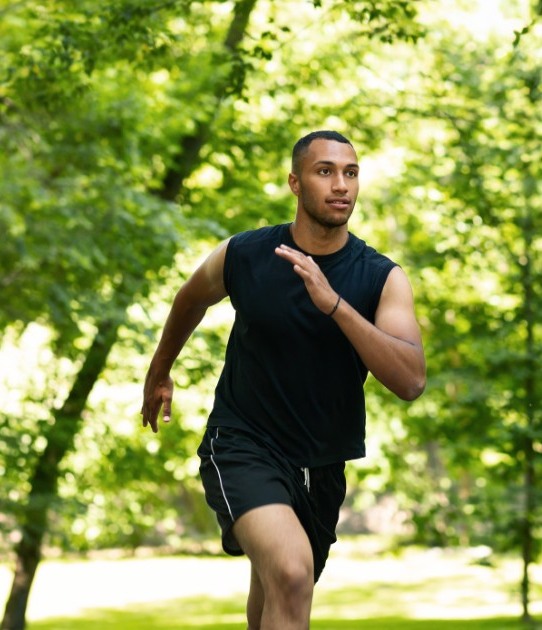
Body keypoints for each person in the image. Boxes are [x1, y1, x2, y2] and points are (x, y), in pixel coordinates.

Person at [140, 130, 426, 629]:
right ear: (295, 183)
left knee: (279, 593)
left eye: (351, 173)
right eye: (325, 172)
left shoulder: (381, 277)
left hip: (321, 463)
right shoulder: (246, 255)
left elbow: (410, 381)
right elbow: (191, 297)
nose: (341, 185)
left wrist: (333, 303)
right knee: (292, 574)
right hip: (242, 443)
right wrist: (160, 370)